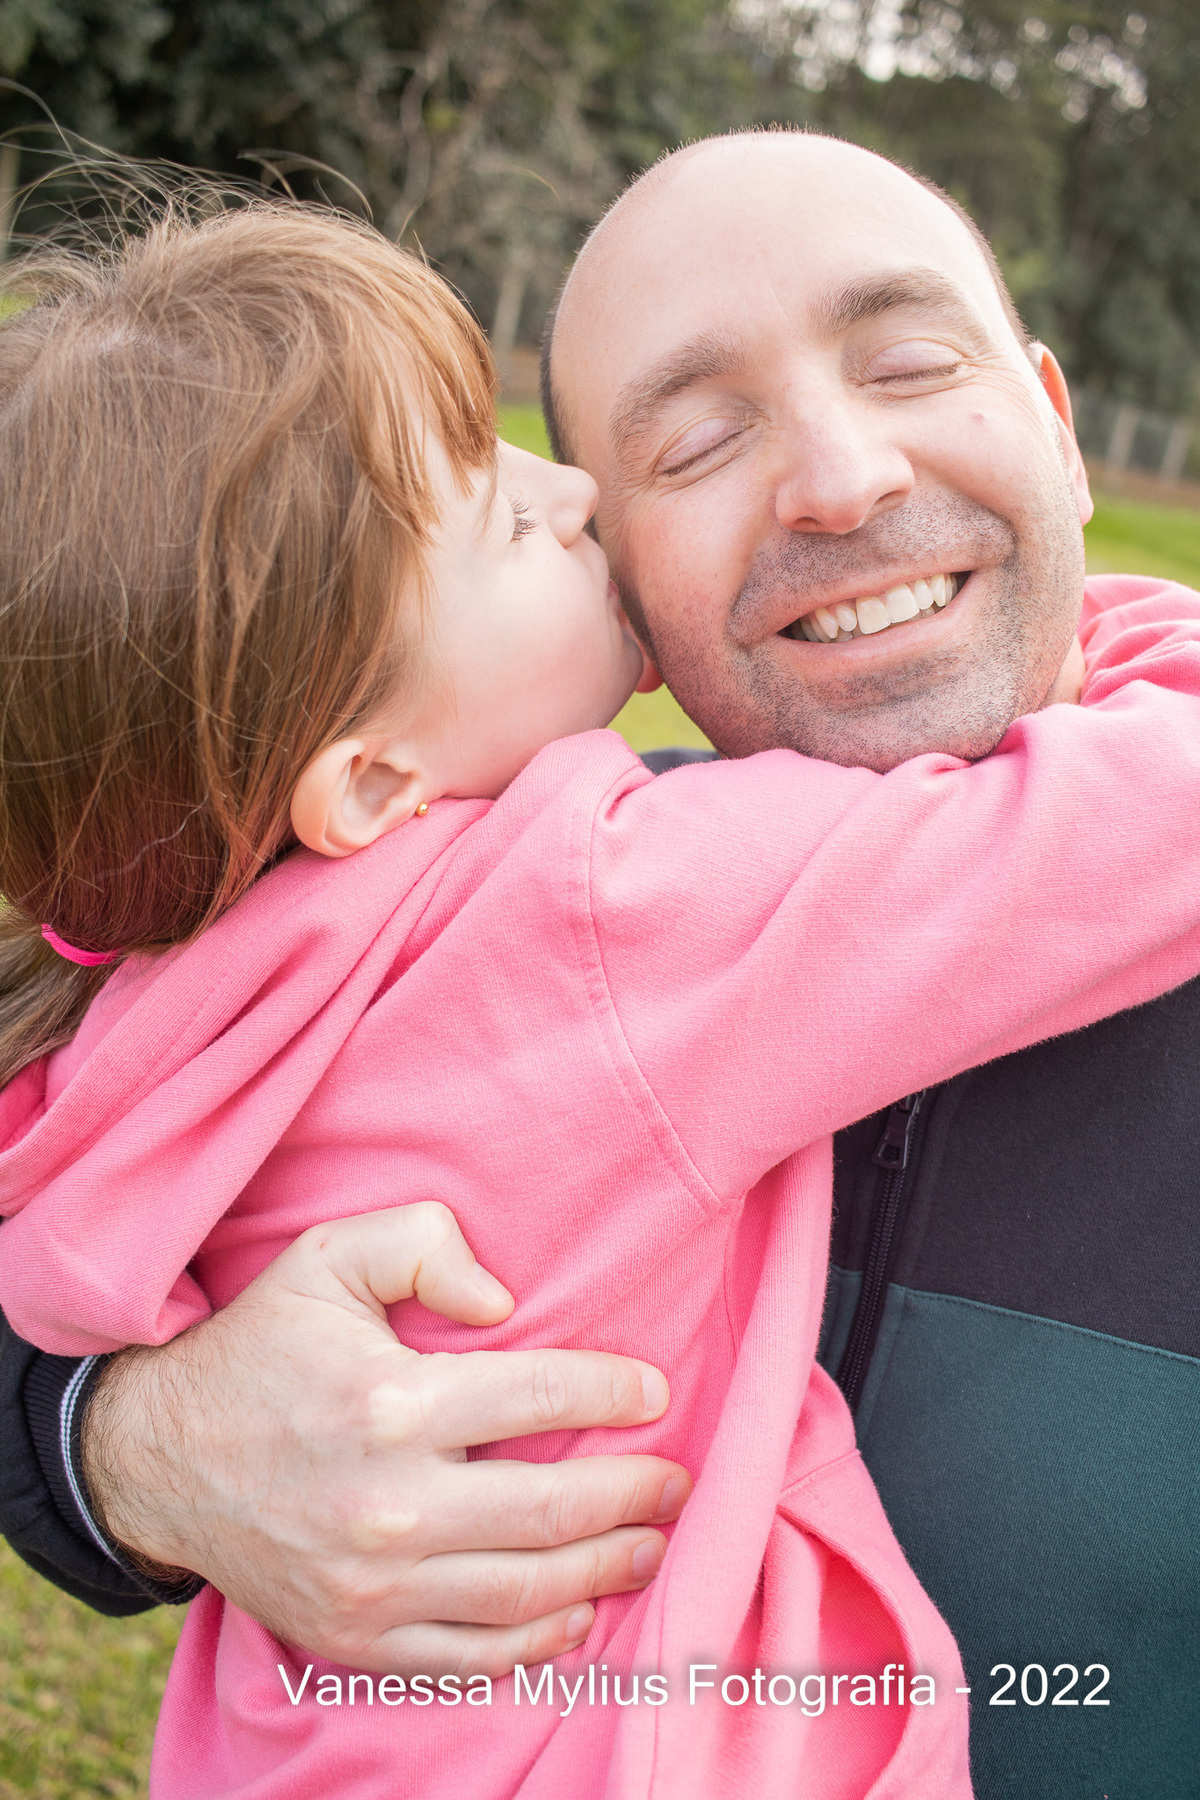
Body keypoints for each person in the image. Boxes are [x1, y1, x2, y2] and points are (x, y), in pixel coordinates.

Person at [0, 132, 1195, 1799]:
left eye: (911, 362)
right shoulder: (609, 897)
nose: (837, 479)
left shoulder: (177, 982)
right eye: (686, 446)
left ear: (1064, 435)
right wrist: (127, 1445)